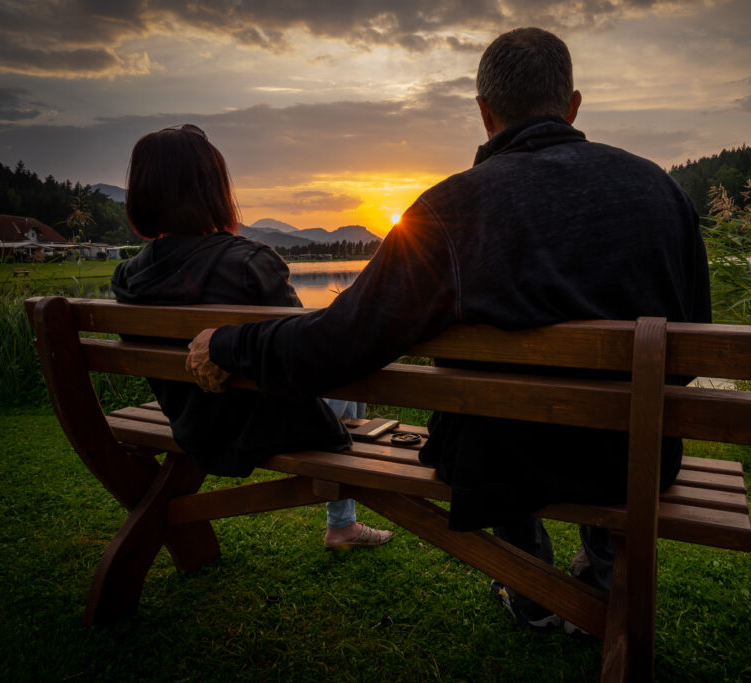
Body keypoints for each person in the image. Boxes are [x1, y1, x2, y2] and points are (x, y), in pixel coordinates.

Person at [187, 27, 710, 631]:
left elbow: (338, 342)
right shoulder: (661, 191)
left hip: (497, 463)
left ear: (484, 113)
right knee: (599, 420)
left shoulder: (446, 209)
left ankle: (533, 591)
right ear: (572, 106)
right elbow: (690, 348)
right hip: (635, 458)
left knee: (499, 425)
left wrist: (230, 341)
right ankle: (602, 575)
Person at [111, 124, 392, 550]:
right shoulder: (249, 262)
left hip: (190, 424)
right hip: (263, 427)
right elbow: (306, 354)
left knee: (343, 393)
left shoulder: (128, 276)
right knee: (346, 389)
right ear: (213, 188)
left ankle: (343, 523)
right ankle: (342, 524)